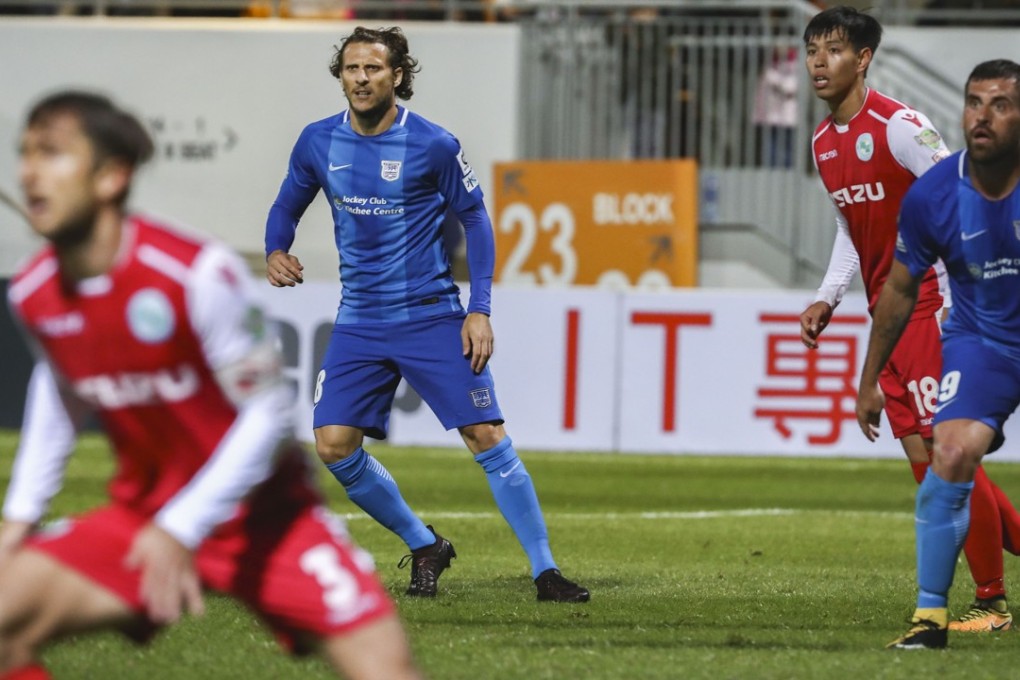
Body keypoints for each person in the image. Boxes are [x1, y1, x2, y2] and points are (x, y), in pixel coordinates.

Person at [0, 90, 421, 680]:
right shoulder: (34, 292)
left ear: (111, 177)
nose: (29, 171)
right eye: (24, 153)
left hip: (268, 523)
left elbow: (268, 414)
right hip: (143, 517)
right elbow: (60, 390)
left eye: (52, 153)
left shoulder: (194, 272)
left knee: (389, 670)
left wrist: (183, 526)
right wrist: (18, 519)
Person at [264, 26, 589, 603]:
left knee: (486, 434)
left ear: (397, 76)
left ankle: (546, 572)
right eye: (351, 69)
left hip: (432, 315)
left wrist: (479, 309)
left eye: (373, 69)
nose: (361, 79)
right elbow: (287, 203)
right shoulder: (317, 142)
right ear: (340, 76)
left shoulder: (434, 144)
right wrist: (276, 249)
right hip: (360, 319)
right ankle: (424, 544)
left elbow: (477, 221)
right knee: (334, 445)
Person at [799, 5, 1020, 633]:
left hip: (934, 305)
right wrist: (827, 295)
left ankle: (991, 601)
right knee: (934, 464)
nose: (820, 62)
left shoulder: (901, 127)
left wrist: (959, 300)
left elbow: (960, 192)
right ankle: (990, 591)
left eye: (835, 50)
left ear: (863, 59)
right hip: (888, 313)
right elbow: (851, 225)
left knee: (946, 458)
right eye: (813, 49)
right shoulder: (823, 142)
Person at [856, 58, 1020, 649]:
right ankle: (931, 620)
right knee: (947, 454)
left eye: (1001, 104)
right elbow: (900, 289)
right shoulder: (933, 193)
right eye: (975, 102)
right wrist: (868, 378)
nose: (983, 115)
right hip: (985, 341)